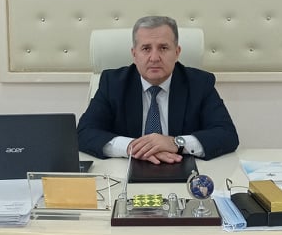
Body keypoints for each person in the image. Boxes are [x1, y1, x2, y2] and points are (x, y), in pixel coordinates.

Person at [77, 16, 239, 162]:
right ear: (134, 54)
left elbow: (227, 134)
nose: (154, 58)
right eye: (146, 48)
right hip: (125, 171)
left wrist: (176, 143)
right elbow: (84, 132)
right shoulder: (113, 83)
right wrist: (134, 147)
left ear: (177, 52)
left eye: (163, 48)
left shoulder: (199, 83)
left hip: (182, 168)